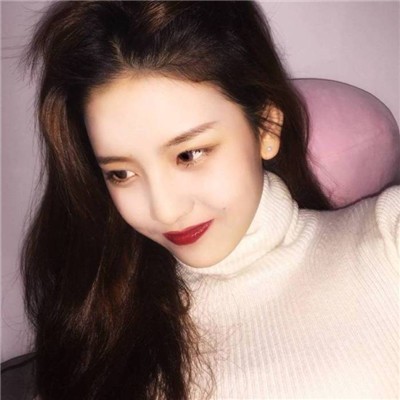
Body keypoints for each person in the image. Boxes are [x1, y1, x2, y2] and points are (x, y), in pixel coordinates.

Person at [8, 1, 399, 399]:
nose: (165, 211)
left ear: (266, 128)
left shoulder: (388, 241)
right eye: (121, 173)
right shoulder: (98, 329)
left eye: (189, 154)